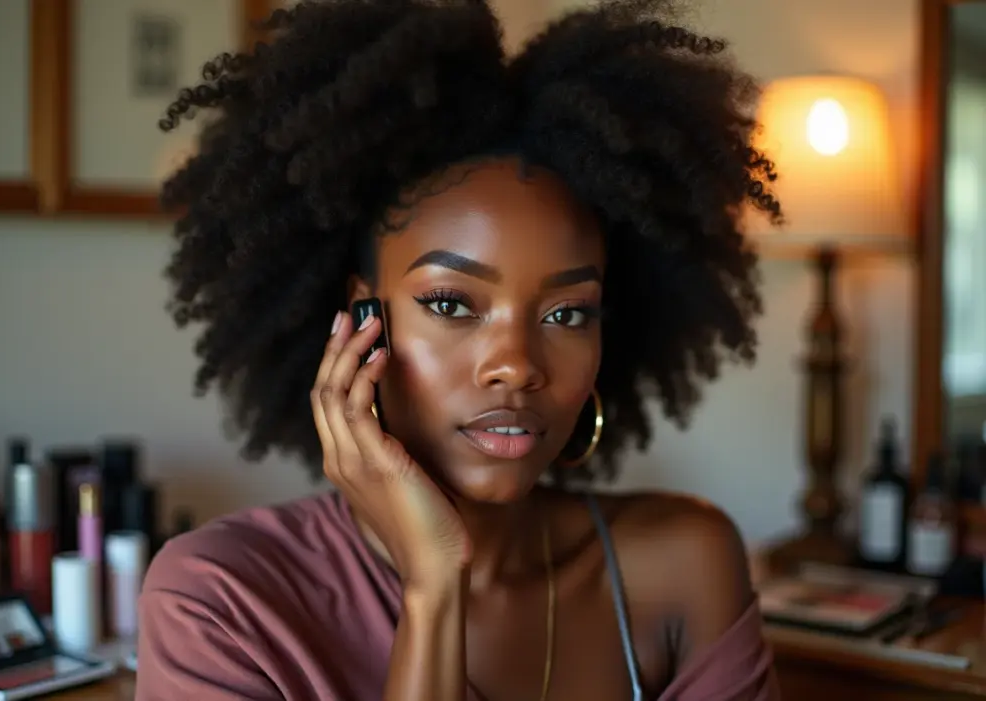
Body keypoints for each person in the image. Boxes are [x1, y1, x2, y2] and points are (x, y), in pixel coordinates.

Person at [136, 0, 782, 699]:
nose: (518, 363)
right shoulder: (220, 601)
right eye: (450, 304)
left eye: (568, 312)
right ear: (360, 318)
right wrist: (433, 585)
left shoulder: (682, 563)